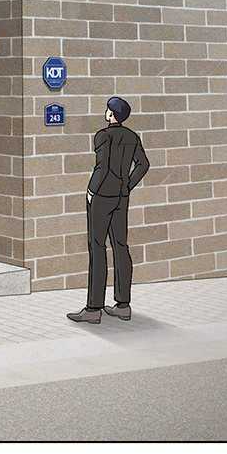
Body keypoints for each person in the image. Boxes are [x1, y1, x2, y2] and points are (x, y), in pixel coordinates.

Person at [67, 97, 150, 324]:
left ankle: (94, 309)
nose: (106, 112)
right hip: (121, 197)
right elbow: (143, 164)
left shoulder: (102, 136)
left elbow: (101, 168)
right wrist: (127, 185)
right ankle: (123, 305)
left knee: (97, 247)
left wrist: (91, 191)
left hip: (102, 196)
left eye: (108, 110)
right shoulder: (132, 137)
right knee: (120, 246)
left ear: (111, 114)